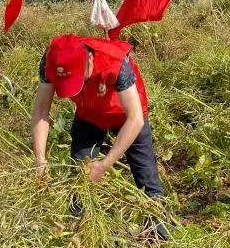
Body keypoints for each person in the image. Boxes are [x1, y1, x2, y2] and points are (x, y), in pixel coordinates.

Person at [31, 34, 168, 237]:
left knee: (147, 180)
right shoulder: (51, 61)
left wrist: (104, 165)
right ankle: (80, 237)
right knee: (80, 177)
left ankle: (158, 239)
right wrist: (40, 160)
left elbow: (135, 119)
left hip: (124, 115)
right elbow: (41, 110)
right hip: (88, 115)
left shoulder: (116, 61)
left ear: (90, 61)